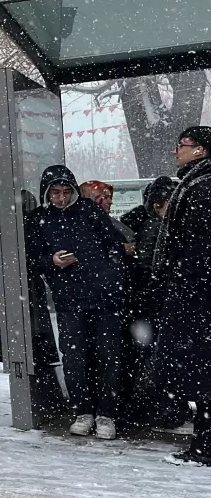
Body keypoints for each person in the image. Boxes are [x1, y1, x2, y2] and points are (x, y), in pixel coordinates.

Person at [30, 165, 128, 440]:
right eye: (55, 193)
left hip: (103, 298)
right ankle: (82, 411)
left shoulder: (89, 211)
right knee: (74, 358)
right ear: (46, 194)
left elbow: (114, 246)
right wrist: (52, 261)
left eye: (65, 192)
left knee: (108, 357)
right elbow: (31, 257)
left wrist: (111, 279)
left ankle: (107, 414)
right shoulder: (40, 219)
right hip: (68, 299)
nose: (61, 198)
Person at [152, 127, 211, 465]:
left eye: (182, 146)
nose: (177, 151)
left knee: (203, 376)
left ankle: (205, 445)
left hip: (198, 300)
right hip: (196, 297)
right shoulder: (195, 183)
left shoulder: (201, 187)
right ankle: (203, 442)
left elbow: (196, 250)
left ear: (200, 150)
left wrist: (180, 285)